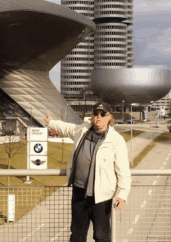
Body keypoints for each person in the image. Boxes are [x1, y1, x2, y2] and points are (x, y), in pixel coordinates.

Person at [44, 100, 131, 242]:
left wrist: (122, 194)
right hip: (79, 194)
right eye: (96, 113)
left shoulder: (116, 140)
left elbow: (124, 172)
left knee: (101, 237)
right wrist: (52, 123)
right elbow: (67, 128)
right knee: (77, 236)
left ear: (109, 117)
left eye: (103, 114)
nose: (99, 117)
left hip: (101, 198)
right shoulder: (83, 130)